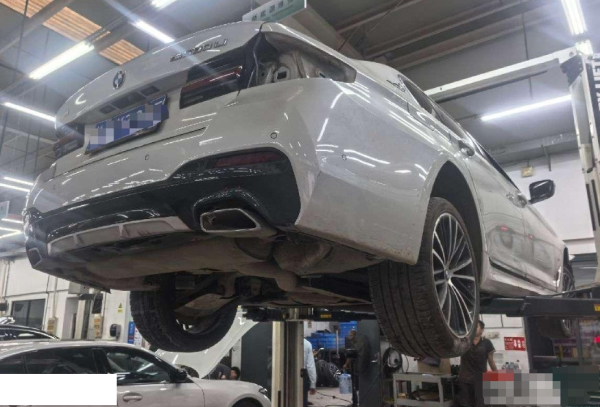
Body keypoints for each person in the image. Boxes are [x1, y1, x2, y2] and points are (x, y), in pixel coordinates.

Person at [458, 320, 497, 407]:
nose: (473, 328)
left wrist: (496, 375)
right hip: (465, 379)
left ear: (482, 330)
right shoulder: (464, 341)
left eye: (476, 326)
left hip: (480, 380)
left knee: (480, 404)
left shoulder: (487, 343)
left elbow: (491, 361)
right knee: (465, 404)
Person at [303, 338, 317, 407]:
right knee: (302, 401)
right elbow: (310, 366)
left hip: (285, 375)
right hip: (302, 374)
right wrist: (312, 384)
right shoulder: (307, 344)